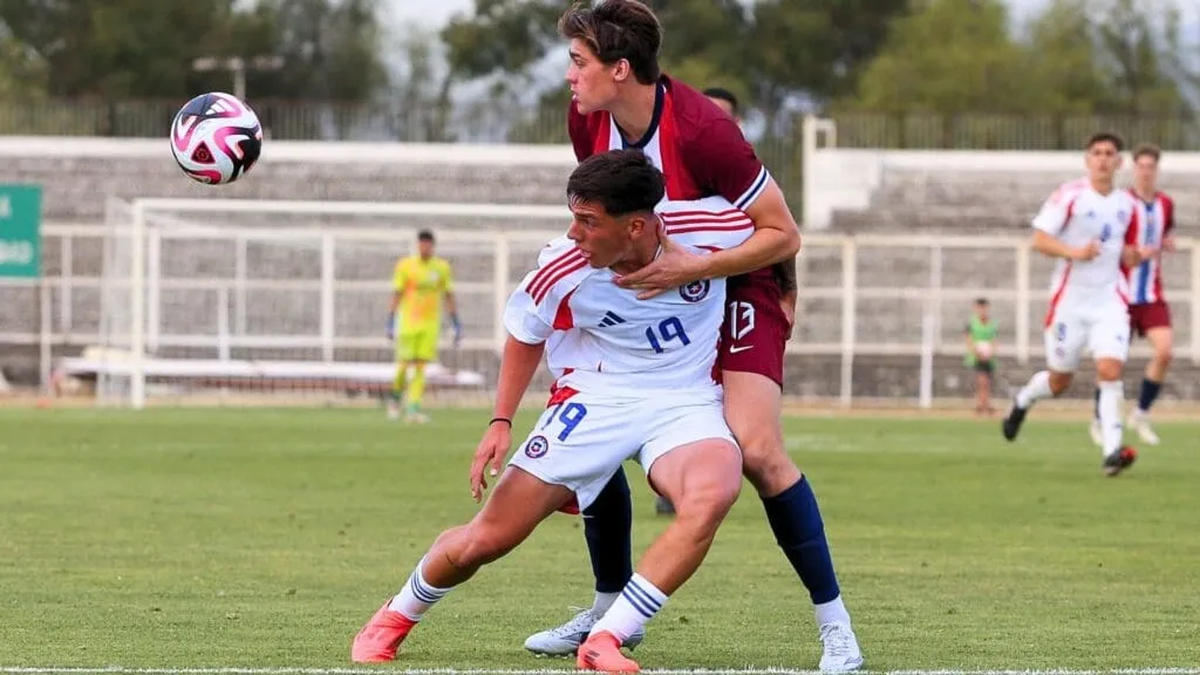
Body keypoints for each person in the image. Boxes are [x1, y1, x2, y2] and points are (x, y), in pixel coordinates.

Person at [525, 2, 864, 671]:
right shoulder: (586, 118)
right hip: (657, 291)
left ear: (619, 69)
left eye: (578, 60)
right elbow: (607, 217)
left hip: (737, 283)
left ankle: (837, 628)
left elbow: (782, 233)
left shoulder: (704, 131)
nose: (568, 75)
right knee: (594, 420)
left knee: (760, 450)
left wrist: (703, 267)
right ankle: (608, 608)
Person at [352, 150, 755, 672]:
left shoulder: (711, 228)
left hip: (685, 398)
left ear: (636, 226)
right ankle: (394, 616)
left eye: (588, 221)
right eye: (573, 217)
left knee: (713, 493)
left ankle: (606, 637)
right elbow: (525, 333)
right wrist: (500, 422)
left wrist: (781, 297)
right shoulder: (563, 268)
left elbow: (778, 234)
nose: (574, 233)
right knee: (489, 538)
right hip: (594, 398)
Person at [1001, 132, 1154, 477]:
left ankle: (1112, 450)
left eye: (1109, 153)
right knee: (1059, 381)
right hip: (1070, 303)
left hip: (1109, 300)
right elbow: (1040, 239)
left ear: (1119, 162)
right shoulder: (1070, 196)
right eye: (1096, 153)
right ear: (1087, 160)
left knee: (1110, 370)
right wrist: (1075, 252)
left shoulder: (1126, 205)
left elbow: (1124, 253)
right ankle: (1023, 402)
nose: (1102, 159)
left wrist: (1134, 257)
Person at [655, 83, 744, 517]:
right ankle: (677, 475)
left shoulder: (744, 176)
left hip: (736, 295)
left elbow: (779, 233)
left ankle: (704, 475)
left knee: (730, 395)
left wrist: (788, 292)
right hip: (682, 301)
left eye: (722, 117)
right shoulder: (672, 171)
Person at [1090, 143, 1176, 447]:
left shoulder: (1166, 203)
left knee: (1164, 350)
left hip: (1152, 293)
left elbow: (1164, 233)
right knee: (1113, 362)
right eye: (1141, 166)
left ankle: (1140, 413)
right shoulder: (1122, 202)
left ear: (1156, 170)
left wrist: (1166, 242)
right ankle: (1099, 419)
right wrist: (1133, 254)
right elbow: (1112, 245)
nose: (1146, 171)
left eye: (1151, 166)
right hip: (1121, 295)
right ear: (1133, 168)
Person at [386, 230, 461, 423]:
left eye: (428, 245)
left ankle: (413, 408)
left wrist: (455, 321)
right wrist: (391, 319)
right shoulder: (406, 266)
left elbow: (448, 294)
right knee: (403, 364)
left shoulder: (441, 268)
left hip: (429, 324)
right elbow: (397, 292)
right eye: (422, 244)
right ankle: (395, 399)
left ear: (432, 246)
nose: (425, 248)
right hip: (408, 322)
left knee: (420, 366)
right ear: (417, 245)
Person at [964, 298, 998, 416]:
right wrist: (976, 352)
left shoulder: (992, 324)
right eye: (980, 308)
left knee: (987, 382)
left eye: (984, 308)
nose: (982, 311)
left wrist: (991, 352)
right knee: (981, 381)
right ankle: (982, 406)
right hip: (976, 357)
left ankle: (984, 405)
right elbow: (969, 340)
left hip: (988, 358)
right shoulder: (971, 324)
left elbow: (994, 341)